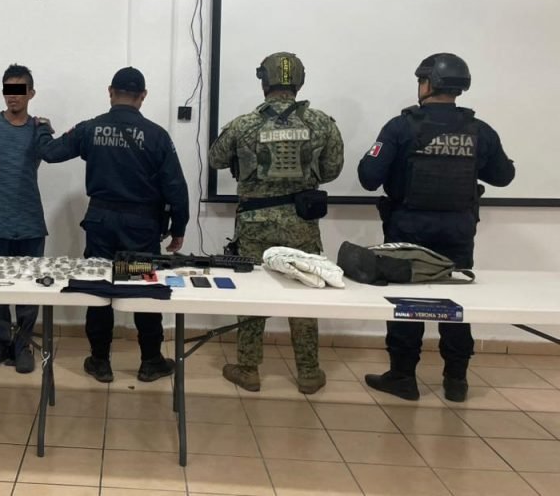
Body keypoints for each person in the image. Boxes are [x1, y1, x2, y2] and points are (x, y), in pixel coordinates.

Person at [359, 53, 515, 402]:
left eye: (421, 81)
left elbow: (369, 176)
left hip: (407, 232)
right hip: (457, 233)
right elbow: (503, 176)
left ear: (428, 84)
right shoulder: (479, 130)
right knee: (456, 305)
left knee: (406, 305)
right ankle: (456, 381)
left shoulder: (400, 127)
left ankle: (403, 377)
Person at [37, 67, 189, 383]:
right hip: (141, 228)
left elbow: (50, 153)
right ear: (143, 96)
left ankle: (99, 361)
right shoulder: (157, 135)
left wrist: (42, 130)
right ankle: (151, 361)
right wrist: (178, 228)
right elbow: (176, 186)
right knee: (144, 289)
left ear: (110, 91)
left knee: (99, 288)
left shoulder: (90, 129)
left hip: (101, 224)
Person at [208, 52, 343, 395]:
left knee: (253, 294)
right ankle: (308, 372)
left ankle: (248, 370)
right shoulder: (322, 123)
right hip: (302, 224)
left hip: (254, 224)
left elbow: (215, 159)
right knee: (306, 291)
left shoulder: (244, 125)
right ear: (299, 82)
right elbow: (331, 170)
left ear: (264, 82)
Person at [0, 64, 48, 374]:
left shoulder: (39, 127)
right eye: (8, 90)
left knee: (29, 284)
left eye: (19, 90)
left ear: (31, 93)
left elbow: (40, 160)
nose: (12, 97)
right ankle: (1, 341)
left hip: (30, 218)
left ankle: (23, 343)